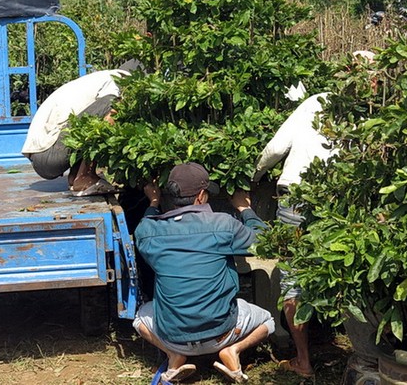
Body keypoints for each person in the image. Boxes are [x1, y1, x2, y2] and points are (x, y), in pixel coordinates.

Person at [133, 163, 275, 384]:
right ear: (201, 196)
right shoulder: (223, 225)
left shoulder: (150, 233)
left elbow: (143, 226)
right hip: (222, 332)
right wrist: (244, 208)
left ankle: (174, 354)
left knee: (140, 317)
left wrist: (153, 201)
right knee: (268, 321)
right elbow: (264, 241)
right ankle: (233, 351)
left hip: (173, 336)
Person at [252, 92, 334, 378]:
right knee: (335, 268)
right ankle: (334, 341)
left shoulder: (317, 101)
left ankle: (303, 360)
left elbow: (275, 149)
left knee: (293, 277)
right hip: (335, 200)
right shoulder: (371, 112)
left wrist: (257, 174)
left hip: (297, 197)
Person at [21, 62, 137, 194]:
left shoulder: (101, 79)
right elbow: (106, 119)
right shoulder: (116, 83)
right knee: (115, 107)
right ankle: (84, 176)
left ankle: (75, 175)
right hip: (48, 154)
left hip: (43, 156)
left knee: (93, 117)